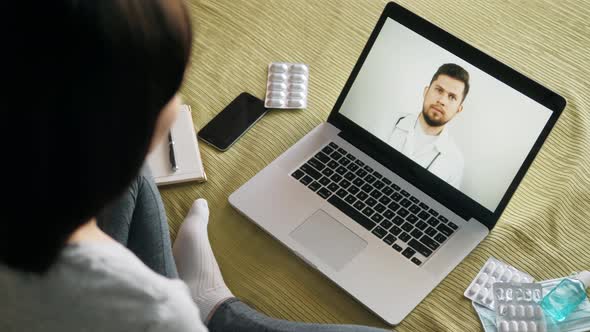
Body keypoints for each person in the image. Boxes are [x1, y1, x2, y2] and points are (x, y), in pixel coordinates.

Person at [0, 1, 390, 331]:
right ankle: (216, 307)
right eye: (170, 90)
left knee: (136, 175)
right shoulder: (152, 311)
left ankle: (204, 294)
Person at [387, 63, 469, 189]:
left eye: (452, 97)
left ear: (459, 109)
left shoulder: (455, 162)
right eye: (439, 90)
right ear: (426, 92)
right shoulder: (387, 120)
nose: (442, 101)